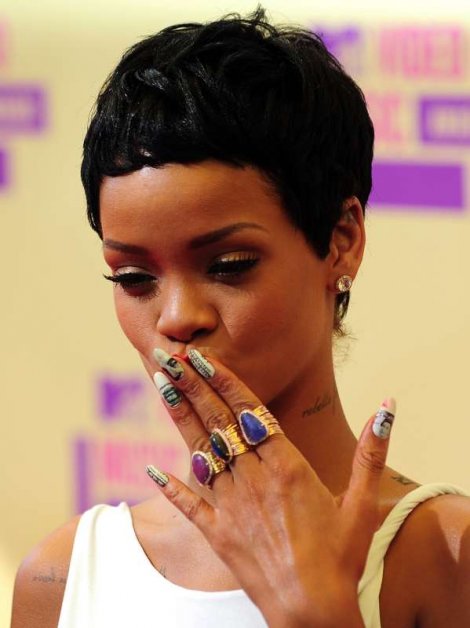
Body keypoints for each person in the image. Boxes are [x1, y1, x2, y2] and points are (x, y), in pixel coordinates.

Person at [11, 8, 470, 628]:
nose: (178, 318)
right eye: (134, 278)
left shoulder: (448, 556)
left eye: (229, 265)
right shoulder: (63, 577)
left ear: (341, 240)